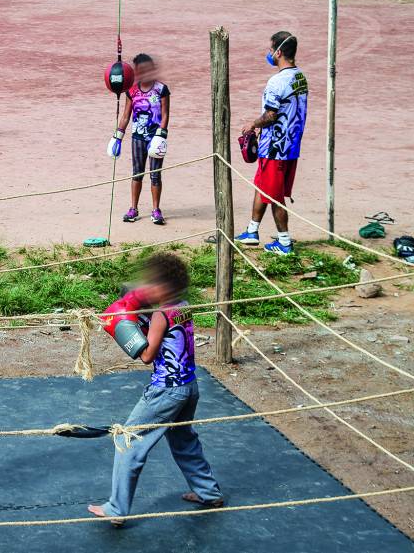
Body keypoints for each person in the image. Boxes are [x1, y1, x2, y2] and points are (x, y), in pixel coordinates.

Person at [88, 252, 224, 524]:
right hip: (189, 386)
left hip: (166, 390)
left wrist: (124, 329)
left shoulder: (161, 314)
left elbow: (148, 355)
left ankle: (116, 509)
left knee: (126, 439)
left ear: (165, 287)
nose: (146, 287)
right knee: (183, 440)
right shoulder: (183, 305)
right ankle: (209, 493)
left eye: (152, 284)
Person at [235, 32, 309, 255]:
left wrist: (252, 125)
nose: (269, 54)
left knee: (275, 195)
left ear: (278, 52)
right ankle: (252, 231)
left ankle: (285, 243)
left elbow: (270, 115)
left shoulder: (277, 81)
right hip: (291, 145)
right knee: (261, 186)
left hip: (275, 147)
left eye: (270, 50)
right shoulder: (300, 77)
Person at [107, 53, 171, 224]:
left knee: (155, 174)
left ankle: (156, 209)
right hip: (138, 138)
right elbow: (126, 115)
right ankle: (133, 208)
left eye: (148, 69)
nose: (145, 73)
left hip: (155, 138)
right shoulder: (132, 91)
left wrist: (161, 135)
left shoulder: (161, 89)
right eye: (141, 70)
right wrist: (117, 136)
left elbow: (165, 115)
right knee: (137, 173)